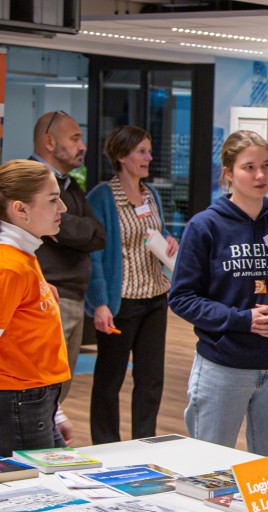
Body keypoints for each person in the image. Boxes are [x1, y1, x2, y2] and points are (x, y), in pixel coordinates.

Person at [169, 130, 268, 456]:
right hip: (223, 367)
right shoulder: (204, 226)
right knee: (208, 466)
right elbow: (182, 297)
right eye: (249, 167)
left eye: (266, 165)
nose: (260, 175)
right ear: (228, 173)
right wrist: (241, 320)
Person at [85, 125, 179, 444]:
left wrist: (169, 239)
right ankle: (106, 445)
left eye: (149, 151)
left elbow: (155, 232)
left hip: (155, 297)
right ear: (122, 156)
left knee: (151, 379)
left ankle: (144, 442)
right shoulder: (101, 197)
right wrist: (100, 302)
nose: (149, 157)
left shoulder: (150, 194)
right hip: (120, 301)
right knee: (109, 380)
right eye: (142, 152)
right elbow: (94, 255)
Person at [31, 111, 106, 446]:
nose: (83, 146)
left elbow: (97, 235)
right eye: (75, 138)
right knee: (40, 389)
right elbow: (75, 230)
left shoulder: (71, 185)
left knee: (59, 391)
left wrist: (68, 229)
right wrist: (75, 230)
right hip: (46, 298)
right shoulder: (28, 181)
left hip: (74, 297)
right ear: (49, 141)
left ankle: (48, 449)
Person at [0, 159, 69, 456]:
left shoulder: (24, 256)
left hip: (35, 400)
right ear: (21, 209)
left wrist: (57, 412)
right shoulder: (9, 266)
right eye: (52, 200)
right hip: (18, 401)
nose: (62, 208)